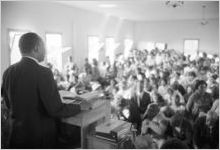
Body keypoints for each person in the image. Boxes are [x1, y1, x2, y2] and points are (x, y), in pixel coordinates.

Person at [1, 32, 90, 148]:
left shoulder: (8, 72)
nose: (45, 51)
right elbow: (55, 109)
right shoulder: (43, 73)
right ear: (36, 48)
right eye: (44, 47)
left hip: (16, 135)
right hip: (39, 139)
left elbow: (7, 104)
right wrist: (80, 106)